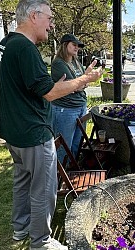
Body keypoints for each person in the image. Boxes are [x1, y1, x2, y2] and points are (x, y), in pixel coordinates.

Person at [0, 0, 102, 249]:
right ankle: (41, 241)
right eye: (49, 18)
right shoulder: (25, 47)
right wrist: (85, 79)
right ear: (34, 15)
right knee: (44, 187)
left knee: (22, 181)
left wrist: (74, 80)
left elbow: (30, 84)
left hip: (14, 131)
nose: (51, 24)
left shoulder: (7, 42)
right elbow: (50, 92)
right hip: (33, 132)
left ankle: (20, 229)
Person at [50, 34, 88, 164]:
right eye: (74, 44)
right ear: (65, 45)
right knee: (64, 146)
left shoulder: (76, 62)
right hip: (65, 110)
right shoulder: (58, 64)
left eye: (78, 45)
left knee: (77, 143)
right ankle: (60, 176)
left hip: (81, 106)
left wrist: (81, 83)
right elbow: (74, 86)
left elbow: (82, 83)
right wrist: (81, 82)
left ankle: (72, 171)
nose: (77, 47)